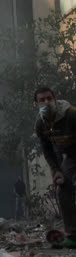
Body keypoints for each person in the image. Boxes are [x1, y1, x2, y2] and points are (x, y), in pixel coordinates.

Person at [34, 86, 76, 248]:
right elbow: (48, 150)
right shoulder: (40, 125)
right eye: (42, 100)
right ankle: (73, 235)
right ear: (36, 104)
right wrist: (56, 170)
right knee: (62, 188)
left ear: (55, 99)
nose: (47, 102)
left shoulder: (71, 114)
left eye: (49, 98)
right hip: (70, 157)